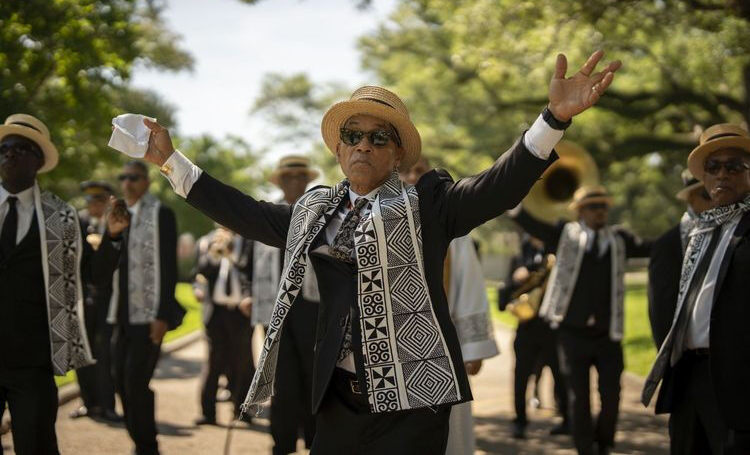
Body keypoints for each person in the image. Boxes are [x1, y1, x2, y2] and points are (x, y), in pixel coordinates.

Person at [129, 50, 620, 453]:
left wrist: (553, 119)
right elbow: (244, 212)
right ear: (338, 150)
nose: (363, 145)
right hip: (338, 400)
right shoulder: (314, 211)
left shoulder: (429, 206)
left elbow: (498, 184)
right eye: (353, 135)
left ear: (397, 153)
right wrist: (171, 161)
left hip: (413, 405)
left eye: (378, 137)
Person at [0, 114, 128, 454]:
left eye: (20, 149)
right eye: (4, 148)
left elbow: (93, 275)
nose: (9, 154)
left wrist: (113, 238)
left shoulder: (61, 217)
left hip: (33, 357)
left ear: (38, 160)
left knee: (36, 444)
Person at [511, 184, 652, 455]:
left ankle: (604, 442)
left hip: (607, 334)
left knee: (611, 396)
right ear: (580, 211)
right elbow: (533, 225)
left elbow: (651, 247)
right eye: (593, 206)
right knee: (579, 398)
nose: (600, 211)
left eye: (603, 206)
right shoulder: (565, 235)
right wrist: (512, 202)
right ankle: (585, 448)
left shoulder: (619, 239)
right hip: (572, 333)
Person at [642, 123, 750, 454]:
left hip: (738, 385)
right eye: (712, 167)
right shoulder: (699, 232)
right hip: (688, 378)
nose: (722, 175)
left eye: (733, 166)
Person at [400, 156, 499, 455]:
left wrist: (473, 346)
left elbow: (470, 284)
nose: (413, 176)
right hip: (395, 349)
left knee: (447, 434)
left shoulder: (452, 225)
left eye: (420, 171)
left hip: (442, 345)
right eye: (406, 171)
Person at [108, 160, 185, 455]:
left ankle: (147, 446)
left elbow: (168, 266)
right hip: (121, 312)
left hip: (149, 314)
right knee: (119, 380)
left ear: (147, 181)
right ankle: (140, 440)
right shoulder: (119, 214)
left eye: (134, 177)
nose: (127, 182)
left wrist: (162, 315)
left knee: (136, 382)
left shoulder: (161, 213)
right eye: (124, 177)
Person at [251, 155, 321, 454]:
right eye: (288, 176)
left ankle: (316, 441)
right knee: (281, 379)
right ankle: (282, 442)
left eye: (300, 176)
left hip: (312, 306)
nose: (294, 181)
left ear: (307, 181)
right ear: (280, 182)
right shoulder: (267, 213)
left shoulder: (321, 212)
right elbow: (250, 262)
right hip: (275, 308)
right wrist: (248, 294)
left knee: (314, 376)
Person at [498, 234, 569, 439]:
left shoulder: (558, 255)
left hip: (552, 329)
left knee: (560, 374)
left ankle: (568, 420)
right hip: (526, 329)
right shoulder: (519, 258)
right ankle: (519, 421)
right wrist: (515, 280)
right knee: (521, 376)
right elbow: (503, 301)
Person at [69, 180, 124, 422]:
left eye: (99, 200)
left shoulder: (117, 223)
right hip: (82, 297)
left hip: (109, 298)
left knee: (105, 354)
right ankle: (87, 402)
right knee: (82, 352)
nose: (94, 205)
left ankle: (107, 405)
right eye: (90, 200)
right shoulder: (78, 222)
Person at [193, 225, 254, 425]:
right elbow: (201, 271)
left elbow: (250, 270)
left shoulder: (248, 241)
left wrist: (233, 251)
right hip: (216, 313)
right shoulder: (206, 241)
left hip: (240, 312)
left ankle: (241, 410)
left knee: (241, 362)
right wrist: (215, 253)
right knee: (213, 362)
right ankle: (208, 413)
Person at [647, 170, 713, 349]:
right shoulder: (667, 244)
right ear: (690, 199)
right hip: (691, 352)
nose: (716, 198)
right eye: (707, 194)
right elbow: (661, 310)